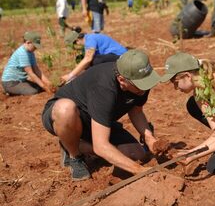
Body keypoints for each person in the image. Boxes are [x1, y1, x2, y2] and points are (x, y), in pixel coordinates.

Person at [42, 49, 161, 181]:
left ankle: (80, 146)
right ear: (122, 80)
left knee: (136, 154)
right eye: (140, 86)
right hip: (67, 117)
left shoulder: (139, 79)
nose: (144, 89)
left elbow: (136, 111)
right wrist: (139, 170)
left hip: (99, 119)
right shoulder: (104, 87)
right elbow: (101, 146)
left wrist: (149, 137)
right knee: (65, 109)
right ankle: (74, 154)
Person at [61, 31, 127, 84]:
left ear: (77, 41)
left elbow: (88, 59)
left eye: (74, 45)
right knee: (84, 60)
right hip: (113, 56)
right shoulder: (89, 38)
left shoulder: (90, 40)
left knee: (94, 61)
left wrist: (70, 76)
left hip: (120, 56)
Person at [1, 31, 53, 96]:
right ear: (28, 42)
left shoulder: (31, 53)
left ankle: (16, 90)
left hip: (20, 81)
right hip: (11, 83)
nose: (36, 48)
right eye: (35, 46)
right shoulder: (22, 53)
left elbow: (36, 69)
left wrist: (48, 83)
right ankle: (10, 91)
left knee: (39, 88)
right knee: (33, 91)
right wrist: (44, 87)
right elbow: (31, 73)